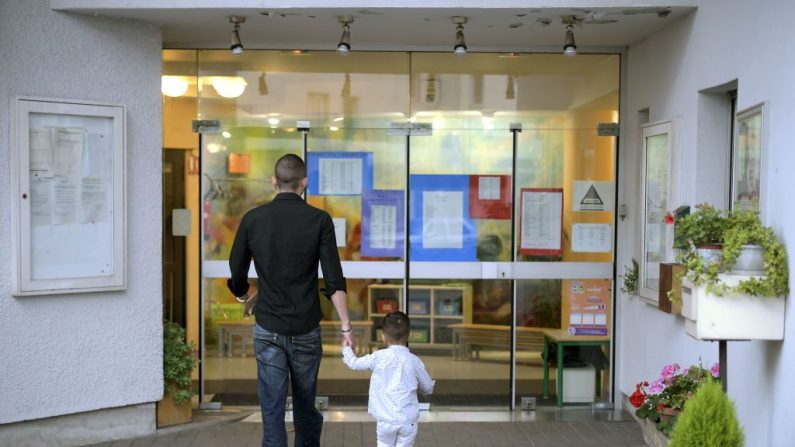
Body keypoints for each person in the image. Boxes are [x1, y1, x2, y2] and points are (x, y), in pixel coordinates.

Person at [228, 154, 353, 447]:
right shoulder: (319, 220)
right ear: (304, 183)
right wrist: (346, 327)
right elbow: (334, 280)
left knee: (271, 411)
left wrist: (245, 295)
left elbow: (236, 271)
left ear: (274, 181)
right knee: (306, 407)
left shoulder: (253, 219)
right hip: (306, 328)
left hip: (268, 326)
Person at [341, 311, 435, 447]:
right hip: (408, 420)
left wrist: (346, 348)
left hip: (385, 419)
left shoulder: (378, 357)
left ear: (383, 337)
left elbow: (355, 363)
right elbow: (427, 387)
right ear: (409, 335)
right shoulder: (415, 361)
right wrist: (426, 390)